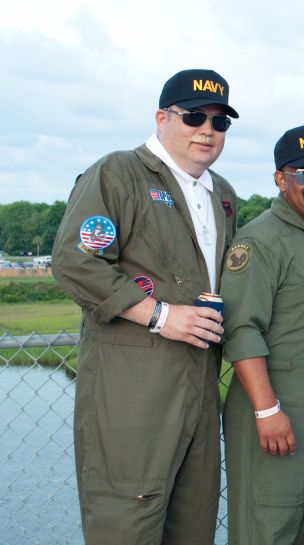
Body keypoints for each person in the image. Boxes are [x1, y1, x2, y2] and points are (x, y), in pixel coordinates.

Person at [51, 68, 239, 544]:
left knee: (194, 525)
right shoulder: (118, 173)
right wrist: (160, 315)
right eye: (194, 116)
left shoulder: (223, 195)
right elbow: (75, 261)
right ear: (161, 118)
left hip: (200, 385)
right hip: (133, 393)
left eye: (220, 122)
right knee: (127, 524)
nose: (206, 130)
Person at [220, 124, 304, 545]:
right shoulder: (261, 240)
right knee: (268, 530)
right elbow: (242, 329)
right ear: (280, 178)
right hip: (276, 415)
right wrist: (266, 410)